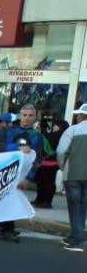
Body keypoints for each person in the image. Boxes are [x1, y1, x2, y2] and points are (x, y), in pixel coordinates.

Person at [0, 104, 47, 243]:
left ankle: (7, 228)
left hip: (21, 175)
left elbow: (37, 159)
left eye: (30, 115)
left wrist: (28, 178)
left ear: (35, 118)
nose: (27, 118)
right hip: (3, 171)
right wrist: (17, 148)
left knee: (12, 200)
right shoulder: (8, 131)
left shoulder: (37, 136)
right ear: (20, 115)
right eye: (24, 115)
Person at [56, 104, 87, 252]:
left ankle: (77, 238)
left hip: (73, 173)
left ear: (81, 116)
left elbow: (61, 151)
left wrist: (63, 167)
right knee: (83, 207)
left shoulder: (72, 130)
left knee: (75, 206)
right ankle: (78, 233)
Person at [35, 119, 68, 208]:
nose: (54, 127)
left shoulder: (56, 136)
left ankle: (44, 201)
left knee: (45, 182)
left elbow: (45, 140)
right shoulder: (63, 136)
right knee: (46, 182)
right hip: (51, 162)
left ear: (59, 126)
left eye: (55, 125)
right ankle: (42, 200)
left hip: (49, 162)